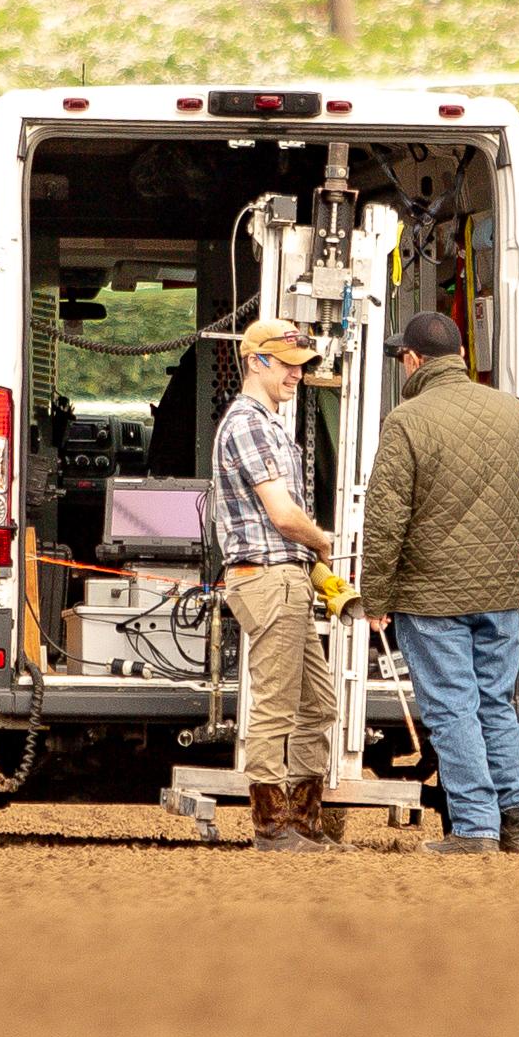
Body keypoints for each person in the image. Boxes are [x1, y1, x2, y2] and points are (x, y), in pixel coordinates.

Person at [359, 309, 519, 855]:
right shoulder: (505, 408)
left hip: (431, 598)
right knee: (496, 705)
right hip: (499, 593)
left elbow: (386, 519)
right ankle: (518, 822)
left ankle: (475, 827)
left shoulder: (407, 421)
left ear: (413, 359)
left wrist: (376, 595)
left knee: (452, 707)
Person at [212, 317, 337, 852]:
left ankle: (303, 822)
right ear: (256, 361)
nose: (298, 376)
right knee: (278, 704)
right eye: (289, 366)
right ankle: (273, 826)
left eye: (302, 367)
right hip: (269, 576)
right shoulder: (251, 424)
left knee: (319, 703)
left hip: (282, 577)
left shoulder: (265, 422)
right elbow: (283, 515)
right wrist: (324, 542)